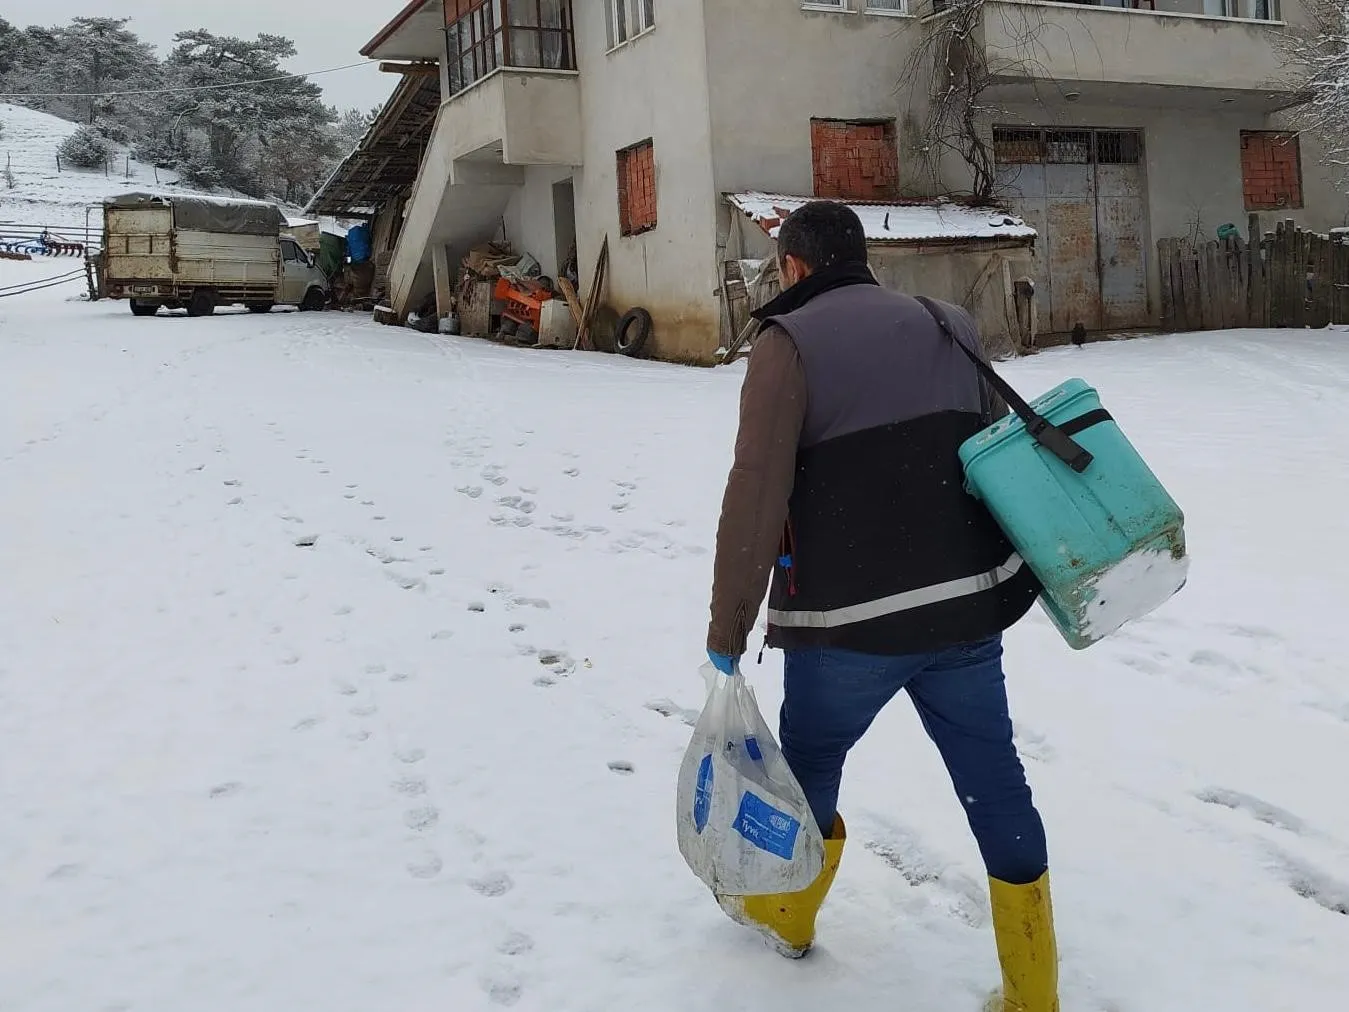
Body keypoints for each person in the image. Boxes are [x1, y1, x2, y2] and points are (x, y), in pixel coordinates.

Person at [705, 201, 1058, 1011]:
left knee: (809, 766)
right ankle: (1033, 989)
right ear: (864, 258)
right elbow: (993, 452)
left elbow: (756, 493)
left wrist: (727, 628)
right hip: (964, 612)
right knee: (994, 781)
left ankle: (789, 914)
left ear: (792, 267)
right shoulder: (946, 322)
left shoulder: (785, 345)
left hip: (846, 628)